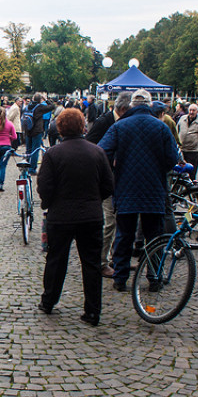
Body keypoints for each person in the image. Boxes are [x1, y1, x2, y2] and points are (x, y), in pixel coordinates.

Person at [36, 108, 115, 326]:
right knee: (91, 264)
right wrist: (94, 200)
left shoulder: (53, 154)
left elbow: (45, 186)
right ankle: (92, 311)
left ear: (60, 128)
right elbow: (109, 185)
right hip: (90, 215)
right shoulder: (97, 152)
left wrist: (49, 204)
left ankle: (49, 301)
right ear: (83, 127)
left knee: (56, 260)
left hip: (60, 216)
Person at [99, 89, 180, 292]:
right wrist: (158, 167)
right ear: (150, 105)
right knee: (154, 235)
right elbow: (172, 158)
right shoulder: (161, 127)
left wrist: (115, 169)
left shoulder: (119, 126)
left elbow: (102, 151)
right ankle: (154, 277)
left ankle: (120, 277)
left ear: (132, 105)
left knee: (124, 235)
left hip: (126, 188)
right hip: (154, 189)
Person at [86, 92, 131, 279]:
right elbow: (90, 146)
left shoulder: (121, 122)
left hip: (119, 178)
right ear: (122, 109)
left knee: (117, 219)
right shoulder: (105, 122)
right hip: (105, 178)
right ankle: (101, 262)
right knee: (109, 221)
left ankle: (113, 258)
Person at [25, 94, 55, 175]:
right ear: (40, 99)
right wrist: (46, 99)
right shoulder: (40, 107)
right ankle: (32, 169)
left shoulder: (27, 106)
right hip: (37, 131)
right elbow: (52, 106)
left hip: (28, 130)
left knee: (28, 150)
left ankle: (26, 166)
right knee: (35, 150)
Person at [176, 104, 198, 179]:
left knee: (192, 172)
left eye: (193, 110)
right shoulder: (182, 119)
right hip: (182, 149)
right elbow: (177, 131)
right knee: (179, 171)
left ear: (197, 112)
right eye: (190, 110)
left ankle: (191, 188)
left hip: (193, 150)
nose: (191, 112)